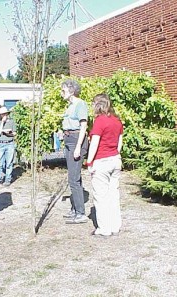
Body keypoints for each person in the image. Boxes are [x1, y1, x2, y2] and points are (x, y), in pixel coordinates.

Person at [86, 94, 123, 237]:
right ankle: (115, 226)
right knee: (113, 194)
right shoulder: (117, 121)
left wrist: (89, 162)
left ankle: (104, 229)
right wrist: (115, 154)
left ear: (97, 105)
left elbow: (94, 143)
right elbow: (120, 143)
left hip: (102, 161)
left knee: (101, 196)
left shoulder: (99, 121)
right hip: (115, 160)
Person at [60, 79, 89, 224]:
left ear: (71, 91)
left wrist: (78, 147)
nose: (61, 93)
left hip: (76, 140)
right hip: (69, 140)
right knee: (74, 176)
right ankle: (75, 208)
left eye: (63, 90)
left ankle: (81, 213)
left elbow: (83, 126)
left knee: (73, 178)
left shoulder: (80, 104)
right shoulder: (70, 106)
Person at [0, 106, 16, 187]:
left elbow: (14, 133)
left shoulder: (12, 122)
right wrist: (2, 123)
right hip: (1, 143)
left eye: (5, 114)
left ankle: (8, 179)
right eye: (2, 114)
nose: (4, 115)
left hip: (10, 143)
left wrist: (8, 133)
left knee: (9, 163)